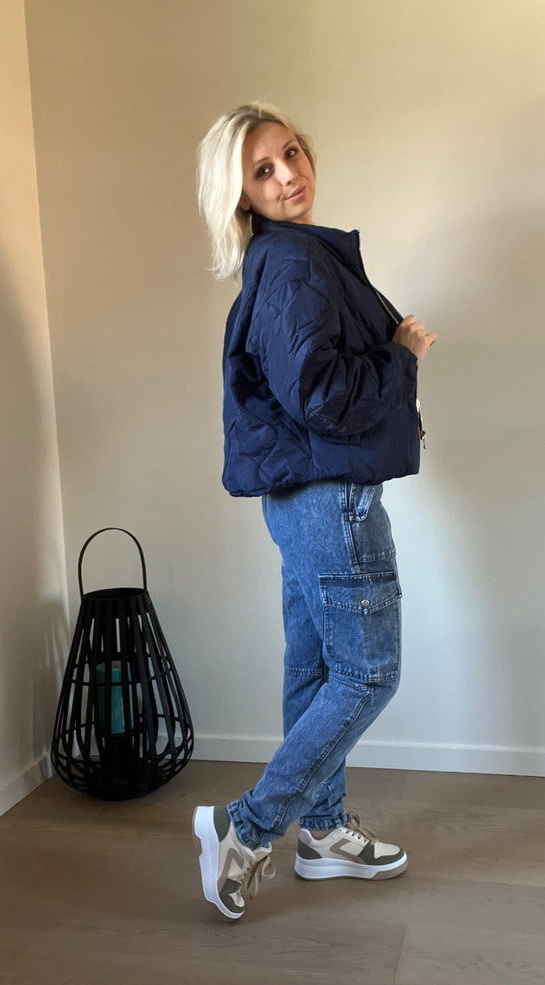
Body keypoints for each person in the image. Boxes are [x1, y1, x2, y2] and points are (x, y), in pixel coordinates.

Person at [193, 101, 436, 920]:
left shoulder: (282, 258)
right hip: (332, 502)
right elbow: (323, 397)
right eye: (263, 170)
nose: (288, 175)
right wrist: (401, 358)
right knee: (369, 673)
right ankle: (247, 826)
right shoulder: (294, 261)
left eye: (291, 153)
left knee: (316, 671)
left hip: (299, 500)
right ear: (241, 194)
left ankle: (323, 832)